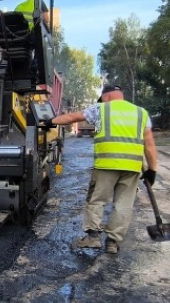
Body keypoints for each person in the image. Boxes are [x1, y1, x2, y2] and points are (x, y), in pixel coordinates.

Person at [42, 84, 158, 254]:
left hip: (106, 165)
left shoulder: (101, 109)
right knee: (123, 205)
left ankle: (93, 238)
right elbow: (149, 144)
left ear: (106, 96)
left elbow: (73, 117)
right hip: (132, 167)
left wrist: (50, 122)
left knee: (96, 199)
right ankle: (112, 242)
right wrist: (152, 170)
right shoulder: (141, 113)